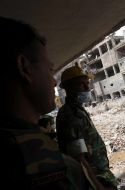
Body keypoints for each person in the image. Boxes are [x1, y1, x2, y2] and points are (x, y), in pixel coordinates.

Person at [0, 16, 89, 189]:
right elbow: (80, 158)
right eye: (50, 69)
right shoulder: (38, 161)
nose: (53, 81)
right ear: (24, 68)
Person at [56, 65, 118, 190]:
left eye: (87, 83)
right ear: (68, 88)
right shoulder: (70, 114)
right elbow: (79, 159)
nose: (87, 88)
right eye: (81, 84)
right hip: (92, 179)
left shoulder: (78, 110)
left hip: (100, 173)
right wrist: (98, 186)